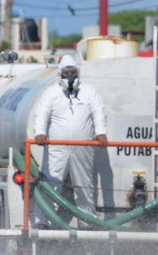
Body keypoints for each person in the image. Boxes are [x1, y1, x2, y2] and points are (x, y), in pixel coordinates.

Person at [31, 54, 108, 226]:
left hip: (83, 148)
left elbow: (99, 112)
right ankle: (42, 222)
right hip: (57, 148)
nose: (70, 75)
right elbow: (41, 114)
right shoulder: (51, 92)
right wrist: (40, 133)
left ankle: (87, 223)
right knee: (51, 184)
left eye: (73, 71)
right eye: (67, 72)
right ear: (60, 74)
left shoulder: (89, 91)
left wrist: (101, 133)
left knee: (84, 185)